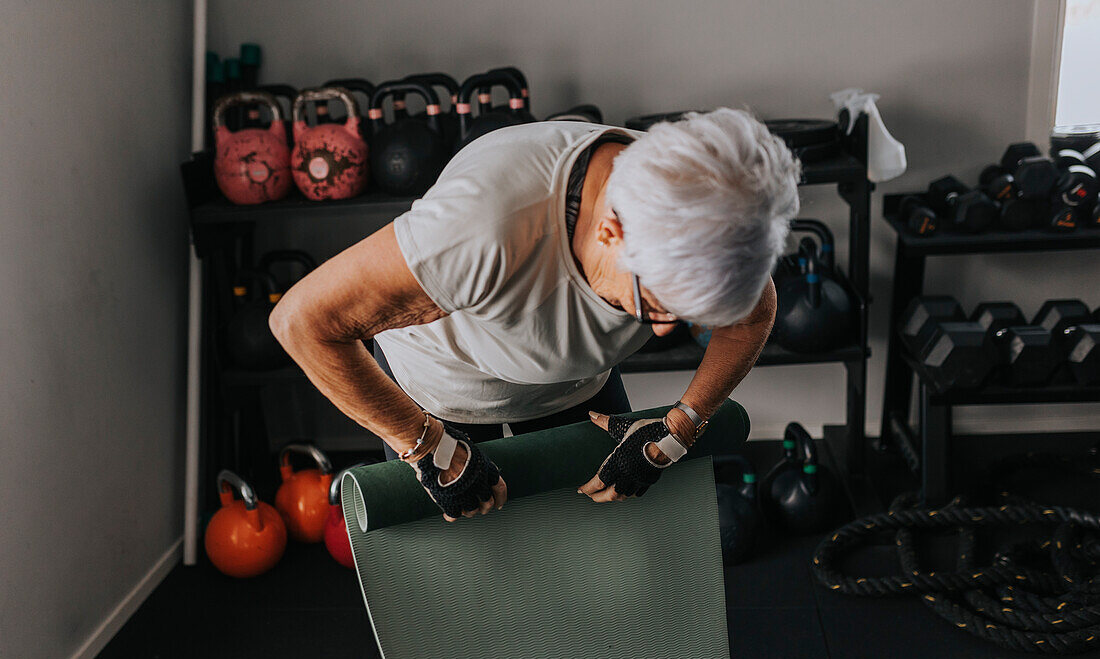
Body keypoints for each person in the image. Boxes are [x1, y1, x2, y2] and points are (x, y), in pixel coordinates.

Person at [270, 108, 800, 522]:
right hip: (439, 395)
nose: (663, 330)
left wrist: (682, 426)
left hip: (577, 388)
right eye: (655, 306)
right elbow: (301, 323)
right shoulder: (480, 227)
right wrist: (423, 441)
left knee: (603, 564)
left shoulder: (708, 219)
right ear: (610, 230)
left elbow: (754, 313)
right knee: (467, 587)